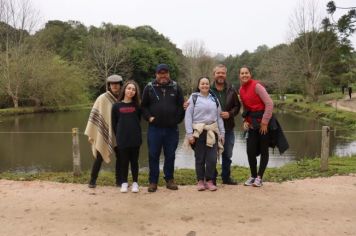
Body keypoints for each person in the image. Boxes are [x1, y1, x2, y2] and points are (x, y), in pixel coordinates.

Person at [141, 64, 185, 192]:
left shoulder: (176, 87)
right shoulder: (149, 88)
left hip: (172, 129)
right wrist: (149, 118)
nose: (163, 76)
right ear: (156, 74)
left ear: (169, 74)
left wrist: (177, 120)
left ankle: (169, 179)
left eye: (165, 73)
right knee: (153, 155)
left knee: (170, 155)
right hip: (155, 129)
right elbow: (143, 107)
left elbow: (181, 106)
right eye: (160, 73)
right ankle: (153, 181)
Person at [184, 77, 225, 191]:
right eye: (202, 83)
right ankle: (200, 181)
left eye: (207, 84)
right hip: (198, 132)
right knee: (200, 158)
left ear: (209, 85)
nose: (205, 86)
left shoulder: (214, 99)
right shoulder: (194, 98)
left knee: (212, 158)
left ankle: (210, 180)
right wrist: (189, 134)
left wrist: (222, 133)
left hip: (212, 131)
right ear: (199, 85)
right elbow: (188, 116)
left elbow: (219, 117)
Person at [85, 75, 123, 188]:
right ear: (109, 85)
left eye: (117, 84)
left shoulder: (123, 98)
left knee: (120, 157)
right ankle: (92, 180)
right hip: (104, 131)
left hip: (119, 133)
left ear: (121, 85)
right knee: (99, 156)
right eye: (112, 84)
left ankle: (119, 181)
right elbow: (95, 114)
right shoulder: (102, 98)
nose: (114, 86)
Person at [239, 66, 273, 187]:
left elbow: (269, 103)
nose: (244, 75)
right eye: (242, 73)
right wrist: (244, 120)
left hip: (264, 123)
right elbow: (245, 108)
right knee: (250, 151)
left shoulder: (257, 86)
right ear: (239, 76)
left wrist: (265, 122)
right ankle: (253, 176)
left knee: (264, 151)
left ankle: (259, 177)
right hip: (252, 124)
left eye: (246, 73)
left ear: (250, 74)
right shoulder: (241, 90)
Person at [210, 64, 241, 185]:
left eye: (223, 73)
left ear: (225, 75)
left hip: (228, 127)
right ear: (214, 74)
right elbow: (197, 102)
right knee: (211, 154)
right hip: (211, 128)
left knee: (227, 154)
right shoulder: (207, 88)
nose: (220, 75)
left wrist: (230, 113)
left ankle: (226, 177)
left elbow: (237, 106)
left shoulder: (232, 89)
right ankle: (212, 177)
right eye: (218, 73)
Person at [112, 80, 142, 193]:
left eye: (133, 89)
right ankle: (124, 182)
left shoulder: (137, 106)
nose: (131, 91)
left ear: (135, 92)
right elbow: (114, 124)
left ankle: (135, 183)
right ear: (124, 89)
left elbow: (138, 120)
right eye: (129, 88)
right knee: (123, 162)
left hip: (135, 138)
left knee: (134, 162)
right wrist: (119, 136)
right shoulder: (116, 106)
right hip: (122, 139)